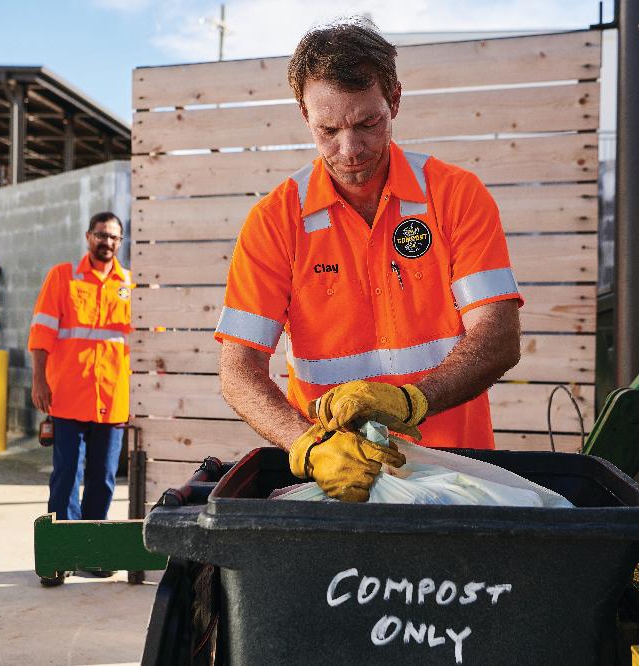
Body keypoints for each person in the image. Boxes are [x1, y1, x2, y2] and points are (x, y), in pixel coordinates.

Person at [215, 19, 523, 503]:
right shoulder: (275, 220)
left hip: (461, 480)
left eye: (367, 123)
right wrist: (308, 445)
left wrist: (413, 401)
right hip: (336, 480)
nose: (349, 149)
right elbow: (238, 370)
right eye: (328, 130)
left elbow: (500, 336)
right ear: (304, 114)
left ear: (394, 101)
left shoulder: (455, 196)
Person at [28, 211, 132, 584]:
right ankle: (60, 555)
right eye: (101, 235)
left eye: (114, 237)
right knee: (67, 476)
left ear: (120, 243)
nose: (107, 242)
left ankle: (92, 551)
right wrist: (38, 381)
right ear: (88, 236)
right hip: (68, 396)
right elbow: (41, 333)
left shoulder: (131, 286)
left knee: (103, 479)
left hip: (112, 400)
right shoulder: (62, 277)